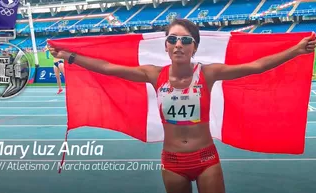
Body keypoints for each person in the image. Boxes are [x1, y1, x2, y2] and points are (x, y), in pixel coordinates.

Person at [48, 19, 316, 193]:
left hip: (206, 159)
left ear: (194, 47)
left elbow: (256, 67)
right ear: (166, 46)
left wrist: (296, 50)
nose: (179, 44)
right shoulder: (154, 75)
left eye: (186, 40)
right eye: (173, 40)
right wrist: (69, 56)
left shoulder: (208, 73)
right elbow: (108, 67)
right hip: (173, 162)